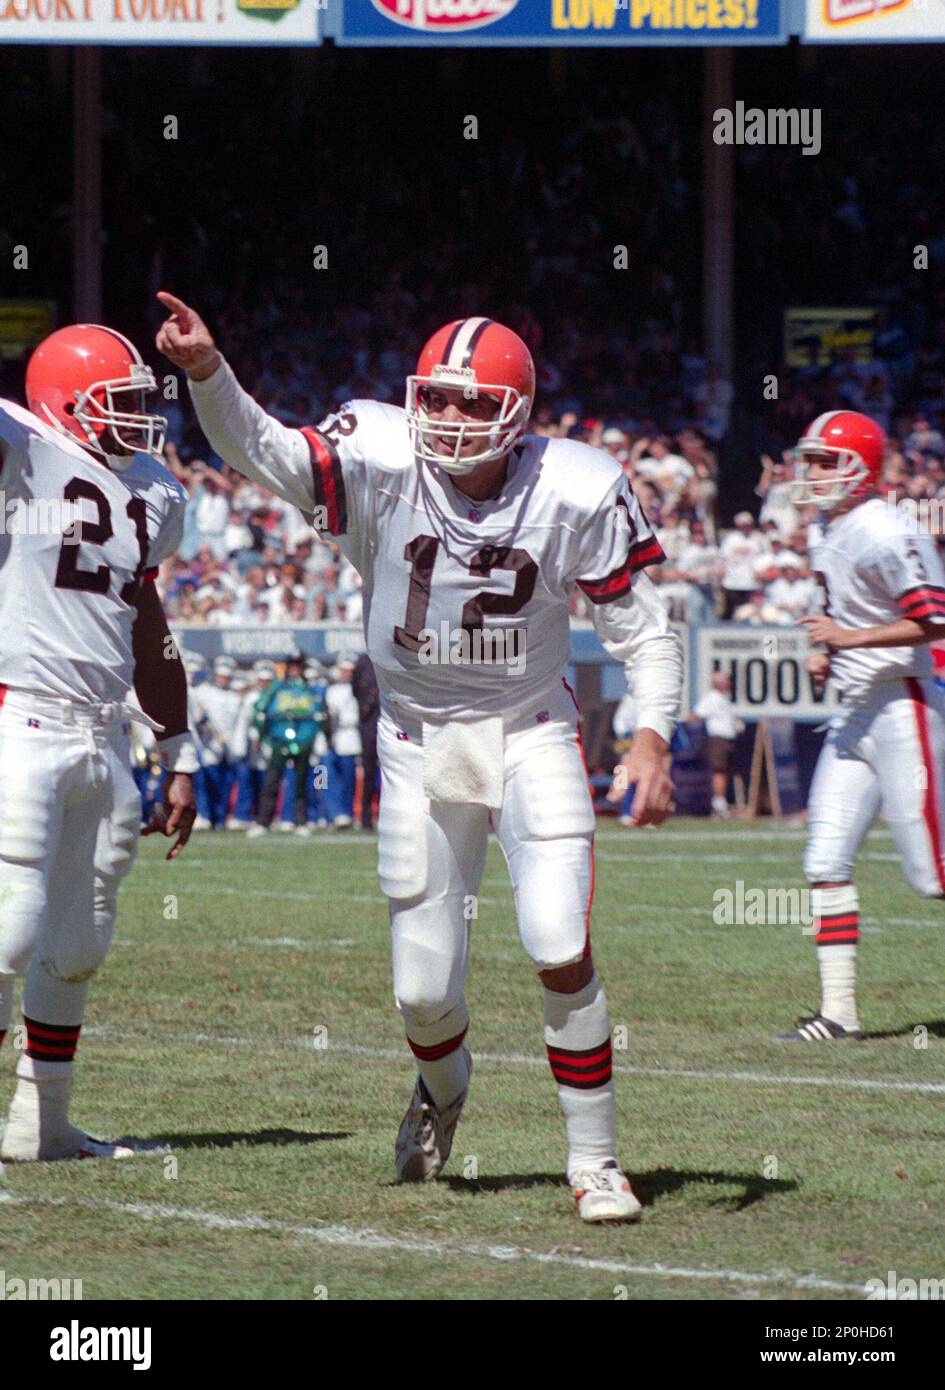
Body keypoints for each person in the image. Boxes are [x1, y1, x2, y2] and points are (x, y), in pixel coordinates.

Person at [157, 294, 682, 1223]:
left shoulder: (575, 485)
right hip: (412, 738)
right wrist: (208, 372)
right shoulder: (378, 450)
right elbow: (268, 450)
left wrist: (650, 737)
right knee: (421, 991)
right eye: (436, 400)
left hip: (528, 731)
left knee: (558, 940)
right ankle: (443, 1088)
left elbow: (646, 634)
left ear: (518, 414)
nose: (448, 420)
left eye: (475, 405)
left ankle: (594, 1162)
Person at [0, 324, 196, 1170]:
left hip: (105, 728)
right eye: (118, 405)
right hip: (19, 714)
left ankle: (39, 1125)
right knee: (6, 931)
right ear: (62, 406)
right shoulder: (23, 451)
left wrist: (178, 743)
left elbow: (145, 619)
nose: (138, 422)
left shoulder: (148, 492)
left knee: (78, 942)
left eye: (142, 404)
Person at [774, 411, 945, 1042]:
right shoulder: (826, 526)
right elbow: (839, 603)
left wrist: (850, 637)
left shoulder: (885, 528)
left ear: (861, 468)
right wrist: (830, 647)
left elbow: (936, 619)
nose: (813, 473)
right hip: (854, 709)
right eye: (810, 460)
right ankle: (839, 1012)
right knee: (824, 859)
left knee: (933, 877)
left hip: (903, 704)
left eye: (826, 461)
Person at [248, 654, 325, 839]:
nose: (294, 670)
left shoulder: (309, 690)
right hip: (279, 739)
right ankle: (263, 821)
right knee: (272, 781)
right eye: (292, 666)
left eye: (298, 666)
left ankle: (301, 821)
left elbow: (318, 714)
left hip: (303, 740)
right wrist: (261, 735)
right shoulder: (277, 688)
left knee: (301, 783)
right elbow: (260, 709)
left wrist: (313, 737)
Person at [689, 672, 743, 817]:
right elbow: (695, 715)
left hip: (727, 739)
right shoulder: (711, 698)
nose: (729, 684)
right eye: (726, 681)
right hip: (717, 739)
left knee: (724, 772)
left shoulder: (724, 699)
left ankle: (721, 802)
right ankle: (718, 804)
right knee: (719, 771)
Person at [352, 652, 380, 831]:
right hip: (370, 720)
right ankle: (366, 818)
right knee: (368, 772)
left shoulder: (390, 654)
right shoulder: (363, 661)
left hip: (389, 717)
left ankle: (391, 816)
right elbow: (355, 689)